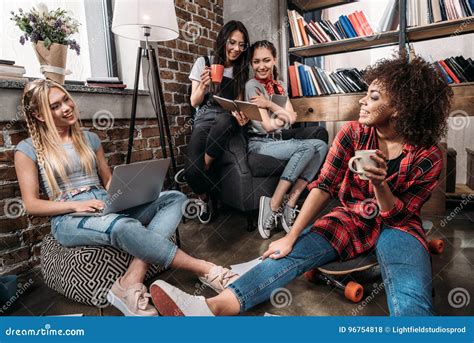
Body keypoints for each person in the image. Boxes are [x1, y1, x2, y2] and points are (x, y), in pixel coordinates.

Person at [149, 53, 453, 316]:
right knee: (287, 254)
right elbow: (323, 187)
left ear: (400, 108)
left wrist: (379, 183)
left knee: (411, 292)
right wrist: (290, 237)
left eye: (373, 97)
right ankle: (209, 308)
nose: (362, 100)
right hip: (349, 219)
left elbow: (400, 216)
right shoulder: (353, 134)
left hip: (399, 227)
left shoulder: (428, 155)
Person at [14, 79, 238, 317]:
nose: (67, 107)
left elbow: (108, 181)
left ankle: (131, 279)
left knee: (173, 197)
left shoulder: (89, 138)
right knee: (123, 226)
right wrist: (78, 204)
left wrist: (128, 193)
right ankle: (206, 269)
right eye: (55, 106)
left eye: (66, 99)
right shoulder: (27, 149)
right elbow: (31, 205)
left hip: (104, 204)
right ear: (39, 115)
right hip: (67, 218)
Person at [244, 40, 328, 238]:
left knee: (321, 146)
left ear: (274, 60)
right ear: (251, 64)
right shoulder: (252, 86)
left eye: (266, 60)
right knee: (306, 148)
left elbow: (292, 118)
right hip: (259, 143)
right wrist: (283, 116)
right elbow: (267, 125)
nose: (261, 66)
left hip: (277, 140)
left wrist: (270, 105)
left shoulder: (279, 87)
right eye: (256, 62)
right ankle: (273, 204)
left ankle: (290, 203)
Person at [181, 20, 250, 224]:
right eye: (232, 42)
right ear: (223, 40)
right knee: (191, 171)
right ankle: (203, 198)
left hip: (227, 118)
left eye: (241, 45)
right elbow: (195, 102)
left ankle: (204, 167)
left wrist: (242, 114)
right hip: (204, 116)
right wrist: (203, 86)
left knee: (226, 120)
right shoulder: (204, 62)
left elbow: (237, 103)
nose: (237, 49)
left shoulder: (241, 70)